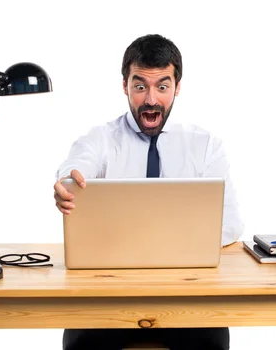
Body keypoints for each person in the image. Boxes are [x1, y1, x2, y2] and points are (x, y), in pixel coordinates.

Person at [53, 34, 244, 350]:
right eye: (140, 86)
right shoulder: (100, 139)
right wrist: (67, 181)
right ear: (125, 86)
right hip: (107, 299)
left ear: (177, 87)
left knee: (210, 343)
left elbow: (232, 222)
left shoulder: (206, 146)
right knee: (81, 343)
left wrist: (166, 241)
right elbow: (76, 167)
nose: (151, 99)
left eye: (162, 87)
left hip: (188, 297)